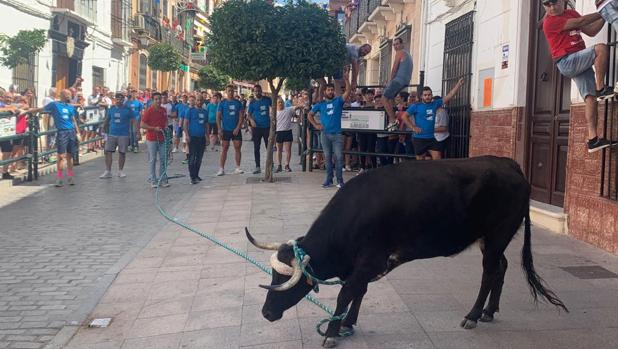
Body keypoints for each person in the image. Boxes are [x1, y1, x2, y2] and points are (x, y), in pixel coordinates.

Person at [543, 0, 615, 153]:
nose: (551, 7)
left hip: (578, 60)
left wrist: (605, 16)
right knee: (601, 49)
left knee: (590, 97)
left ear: (562, 2)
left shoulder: (571, 14)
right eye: (546, 4)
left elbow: (591, 31)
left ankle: (593, 139)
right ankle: (601, 88)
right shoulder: (549, 22)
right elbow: (581, 21)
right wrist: (604, 9)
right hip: (567, 61)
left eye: (553, 3)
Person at [401, 79, 464, 160]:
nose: (427, 97)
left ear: (431, 95)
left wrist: (458, 85)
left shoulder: (435, 104)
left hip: (432, 138)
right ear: (421, 96)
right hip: (419, 138)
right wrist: (413, 127)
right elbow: (404, 116)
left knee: (437, 158)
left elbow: (449, 95)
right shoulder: (416, 106)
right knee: (420, 160)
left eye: (429, 95)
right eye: (425, 95)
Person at [308, 72, 352, 188]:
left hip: (337, 135)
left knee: (338, 157)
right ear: (325, 92)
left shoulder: (338, 101)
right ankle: (329, 180)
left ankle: (340, 180)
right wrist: (316, 125)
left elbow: (347, 92)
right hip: (324, 134)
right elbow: (309, 115)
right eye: (328, 90)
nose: (331, 92)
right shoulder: (320, 104)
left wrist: (347, 80)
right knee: (327, 158)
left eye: (332, 90)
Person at [30, 89, 81, 187]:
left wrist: (78, 133)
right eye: (68, 94)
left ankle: (70, 176)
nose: (70, 96)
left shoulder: (70, 107)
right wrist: (26, 111)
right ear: (62, 94)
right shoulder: (54, 105)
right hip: (62, 132)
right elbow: (41, 109)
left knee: (70, 156)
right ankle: (60, 177)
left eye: (70, 94)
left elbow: (73, 120)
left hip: (71, 132)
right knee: (61, 156)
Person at [100, 93, 137, 179]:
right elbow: (107, 119)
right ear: (115, 99)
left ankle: (120, 171)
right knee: (108, 151)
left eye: (121, 99)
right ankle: (108, 171)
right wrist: (103, 127)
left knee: (122, 152)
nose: (119, 100)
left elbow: (134, 120)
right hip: (112, 133)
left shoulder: (128, 109)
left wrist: (136, 131)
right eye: (117, 99)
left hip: (123, 134)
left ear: (123, 100)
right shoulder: (111, 109)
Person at [382, 37, 413, 130]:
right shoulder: (408, 54)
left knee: (384, 98)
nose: (395, 46)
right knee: (391, 98)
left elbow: (394, 69)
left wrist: (389, 81)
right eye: (394, 44)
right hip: (406, 81)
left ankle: (392, 120)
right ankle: (395, 116)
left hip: (399, 80)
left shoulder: (400, 53)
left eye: (397, 44)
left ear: (402, 44)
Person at [141, 92, 170, 188]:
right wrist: (153, 128)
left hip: (162, 138)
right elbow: (142, 124)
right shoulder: (149, 111)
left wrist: (166, 127)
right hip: (152, 139)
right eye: (156, 99)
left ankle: (162, 179)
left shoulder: (164, 110)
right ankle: (153, 180)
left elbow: (165, 121)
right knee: (153, 159)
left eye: (159, 99)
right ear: (153, 100)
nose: (158, 101)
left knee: (163, 159)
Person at [217, 85, 245, 176]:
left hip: (236, 129)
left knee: (237, 148)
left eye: (232, 91)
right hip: (226, 129)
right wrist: (219, 129)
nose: (231, 92)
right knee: (224, 148)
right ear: (226, 92)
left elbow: (241, 116)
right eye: (229, 91)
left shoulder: (238, 103)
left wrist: (238, 127)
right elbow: (218, 117)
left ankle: (238, 167)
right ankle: (221, 169)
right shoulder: (222, 103)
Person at [247, 85, 272, 174]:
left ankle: (270, 164)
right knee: (256, 147)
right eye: (255, 91)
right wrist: (251, 121)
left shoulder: (267, 99)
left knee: (268, 147)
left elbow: (274, 108)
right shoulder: (252, 102)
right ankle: (257, 166)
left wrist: (273, 119)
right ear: (254, 92)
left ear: (261, 91)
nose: (257, 92)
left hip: (266, 126)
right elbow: (248, 114)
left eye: (258, 91)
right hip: (256, 128)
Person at [183, 95, 207, 184]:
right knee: (192, 157)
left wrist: (207, 136)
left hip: (201, 137)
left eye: (201, 100)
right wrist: (187, 135)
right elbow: (185, 123)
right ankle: (192, 177)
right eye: (198, 100)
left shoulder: (205, 112)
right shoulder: (190, 111)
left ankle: (196, 175)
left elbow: (206, 124)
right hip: (192, 137)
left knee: (199, 158)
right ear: (195, 101)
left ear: (203, 101)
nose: (199, 102)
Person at [275, 97, 297, 172]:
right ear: (276, 104)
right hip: (279, 132)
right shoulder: (275, 112)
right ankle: (279, 165)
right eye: (279, 102)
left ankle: (287, 165)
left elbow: (297, 107)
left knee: (288, 150)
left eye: (281, 102)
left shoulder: (288, 109)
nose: (280, 103)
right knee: (279, 150)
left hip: (288, 131)